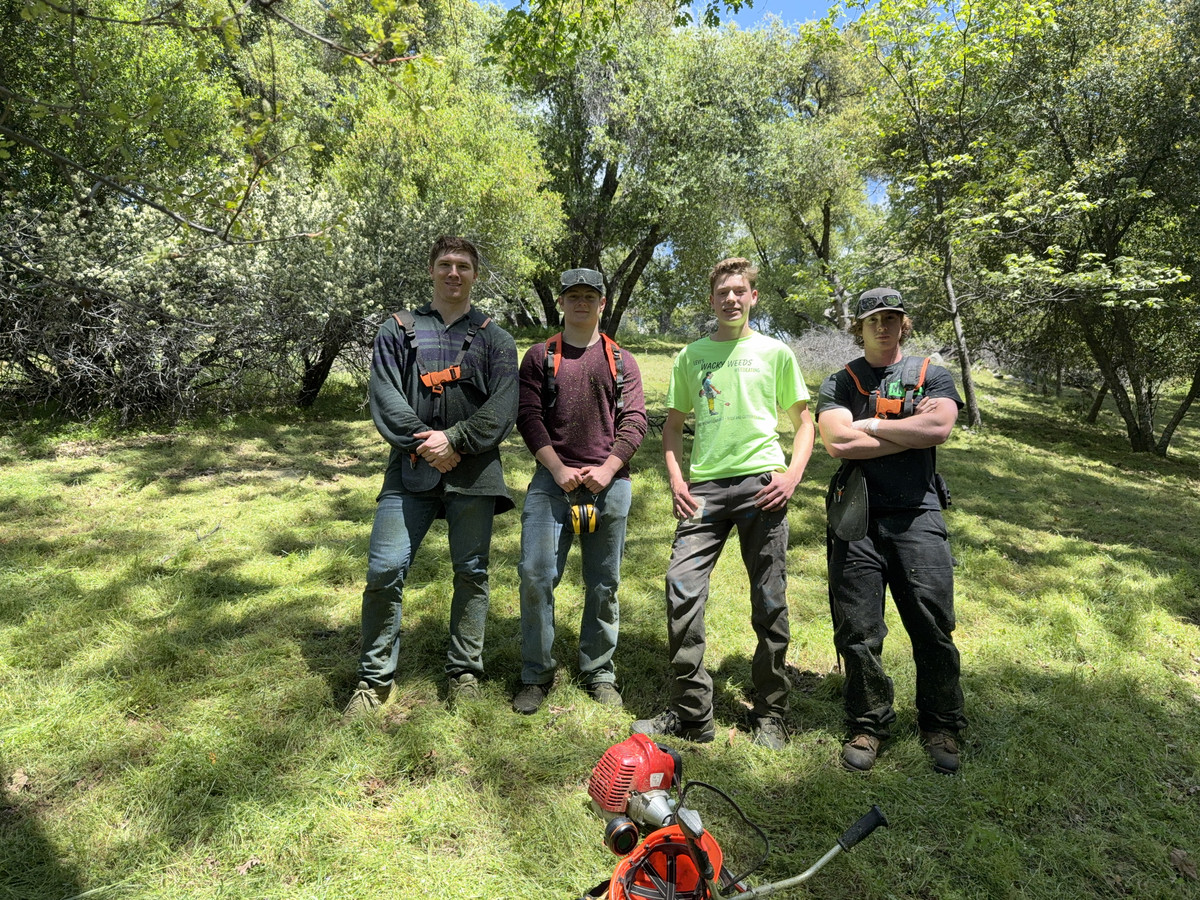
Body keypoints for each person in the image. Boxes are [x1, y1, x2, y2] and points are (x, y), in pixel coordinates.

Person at [632, 257, 814, 750]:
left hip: (762, 485)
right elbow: (673, 427)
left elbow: (804, 423)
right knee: (681, 586)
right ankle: (692, 713)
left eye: (739, 291)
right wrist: (676, 478)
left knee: (769, 599)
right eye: (722, 293)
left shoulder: (775, 353)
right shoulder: (691, 356)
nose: (731, 299)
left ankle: (771, 712)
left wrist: (791, 475)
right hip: (705, 490)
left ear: (753, 297)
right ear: (712, 300)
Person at [344, 236, 519, 716]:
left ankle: (464, 673)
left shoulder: (497, 339)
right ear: (431, 270)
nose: (453, 273)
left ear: (475, 275)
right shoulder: (397, 329)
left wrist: (456, 440)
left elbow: (504, 407)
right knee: (385, 569)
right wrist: (428, 443)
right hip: (410, 467)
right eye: (445, 264)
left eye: (463, 265)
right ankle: (373, 681)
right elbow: (385, 395)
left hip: (475, 472)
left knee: (472, 573)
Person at [815, 287, 967, 773]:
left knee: (933, 624)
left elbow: (939, 428)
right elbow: (837, 442)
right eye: (872, 320)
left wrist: (873, 427)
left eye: (891, 318)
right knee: (858, 630)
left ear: (904, 324)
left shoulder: (930, 374)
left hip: (918, 514)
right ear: (858, 328)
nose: (882, 327)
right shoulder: (841, 381)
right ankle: (868, 723)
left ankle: (941, 724)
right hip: (856, 517)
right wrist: (906, 431)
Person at [511, 268, 648, 714]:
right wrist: (557, 468)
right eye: (574, 296)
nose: (582, 303)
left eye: (591, 296)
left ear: (602, 303)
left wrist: (608, 469)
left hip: (610, 484)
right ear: (561, 303)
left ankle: (599, 672)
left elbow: (635, 421)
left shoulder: (622, 361)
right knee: (536, 576)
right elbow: (528, 416)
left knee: (603, 583)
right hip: (551, 483)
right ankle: (536, 673)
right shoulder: (540, 356)